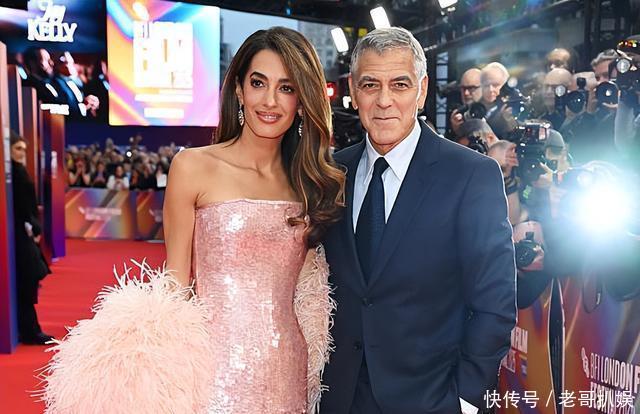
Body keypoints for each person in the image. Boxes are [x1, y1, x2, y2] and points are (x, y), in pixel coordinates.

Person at [42, 27, 344, 414]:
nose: (270, 100)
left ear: (302, 101)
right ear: (239, 90)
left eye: (286, 88)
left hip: (289, 372)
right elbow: (176, 284)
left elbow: (311, 293)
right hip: (209, 374)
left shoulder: (310, 183)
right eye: (258, 83)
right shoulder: (193, 167)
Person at [320, 27, 516, 414]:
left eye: (400, 84)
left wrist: (465, 400)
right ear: (354, 92)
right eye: (370, 85)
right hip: (340, 399)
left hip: (432, 400)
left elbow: (495, 303)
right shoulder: (331, 174)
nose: (384, 100)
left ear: (422, 90)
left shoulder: (470, 175)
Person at [10, 130, 53, 345]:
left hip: (24, 234)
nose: (21, 153)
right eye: (18, 148)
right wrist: (33, 228)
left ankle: (30, 329)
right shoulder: (15, 174)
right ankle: (29, 330)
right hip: (19, 235)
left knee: (28, 281)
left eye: (24, 150)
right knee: (28, 280)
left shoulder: (19, 172)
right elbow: (23, 207)